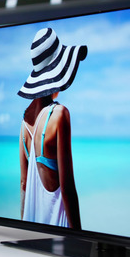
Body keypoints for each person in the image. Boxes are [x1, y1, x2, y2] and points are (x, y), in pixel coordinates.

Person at [18, 27, 84, 229]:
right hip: (59, 232)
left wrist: (22, 232)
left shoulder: (25, 122)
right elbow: (67, 188)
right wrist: (79, 238)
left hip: (33, 231)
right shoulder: (59, 115)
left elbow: (23, 185)